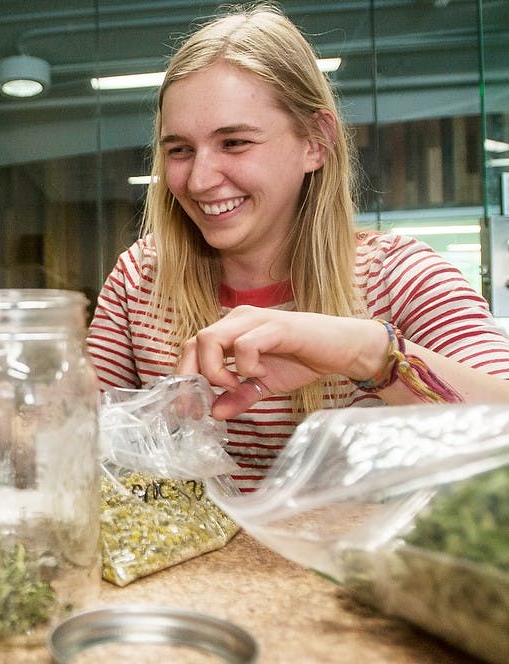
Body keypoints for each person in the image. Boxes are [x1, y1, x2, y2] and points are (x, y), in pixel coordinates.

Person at [86, 3, 509, 492]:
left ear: (316, 141)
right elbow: (67, 446)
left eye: (236, 142)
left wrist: (367, 353)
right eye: (179, 150)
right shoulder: (140, 277)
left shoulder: (402, 276)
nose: (199, 180)